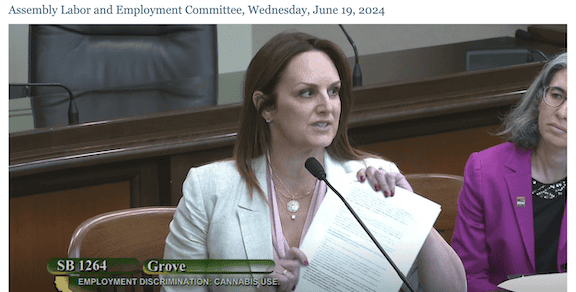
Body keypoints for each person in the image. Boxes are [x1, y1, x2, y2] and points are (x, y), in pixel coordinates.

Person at [162, 31, 465, 292]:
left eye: (333, 91)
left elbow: (453, 289)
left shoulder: (374, 180)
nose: (327, 106)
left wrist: (411, 216)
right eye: (307, 93)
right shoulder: (209, 189)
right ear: (266, 107)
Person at [451, 52, 567, 292]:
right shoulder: (485, 170)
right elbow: (468, 274)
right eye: (557, 95)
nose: (563, 113)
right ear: (539, 98)